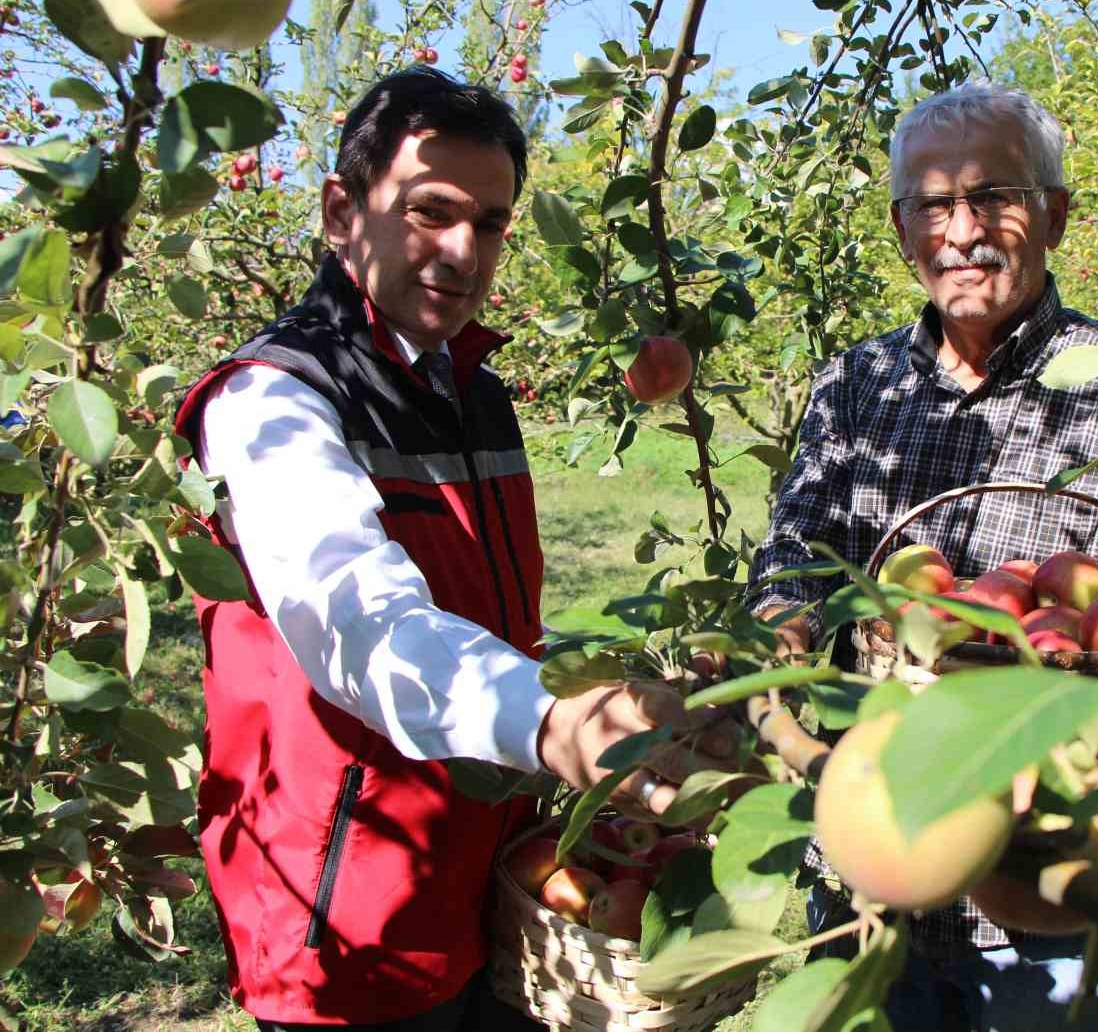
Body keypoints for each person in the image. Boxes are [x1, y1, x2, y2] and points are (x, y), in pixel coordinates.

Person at [174, 68, 721, 1031]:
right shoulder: (274, 401)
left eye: (493, 223)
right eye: (432, 211)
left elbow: (480, 611)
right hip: (350, 911)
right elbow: (358, 621)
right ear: (343, 210)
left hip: (483, 870)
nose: (464, 251)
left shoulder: (472, 390)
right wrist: (552, 727)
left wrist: (596, 685)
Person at [746, 82, 1098, 1031]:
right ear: (902, 227)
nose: (964, 229)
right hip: (877, 869)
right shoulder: (855, 385)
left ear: (1056, 215)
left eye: (995, 196)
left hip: (1058, 894)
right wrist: (775, 644)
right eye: (935, 202)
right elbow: (795, 552)